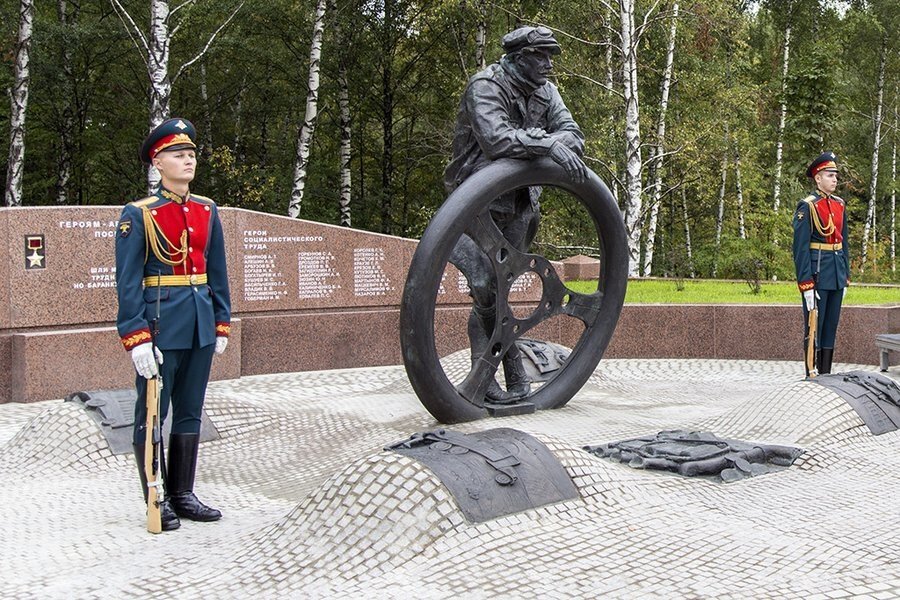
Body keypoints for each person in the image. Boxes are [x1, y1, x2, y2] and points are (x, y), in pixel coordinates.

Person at [444, 25, 587, 404]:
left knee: (498, 291)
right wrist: (547, 145)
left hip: (521, 204)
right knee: (485, 288)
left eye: (551, 56)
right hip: (476, 206)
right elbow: (496, 140)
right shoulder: (485, 86)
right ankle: (494, 380)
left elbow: (573, 134)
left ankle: (504, 381)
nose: (549, 64)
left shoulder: (546, 91)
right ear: (519, 57)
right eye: (541, 56)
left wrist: (548, 143)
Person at [116, 117, 231, 531]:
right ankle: (157, 496)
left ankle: (183, 493)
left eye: (191, 154)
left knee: (189, 411)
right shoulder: (139, 214)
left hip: (200, 323)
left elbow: (217, 271)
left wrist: (221, 321)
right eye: (178, 154)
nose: (188, 160)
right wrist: (136, 337)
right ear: (158, 162)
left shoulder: (206, 210)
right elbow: (128, 281)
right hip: (161, 325)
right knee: (152, 413)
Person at [792, 151, 850, 376]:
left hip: (836, 274)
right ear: (818, 178)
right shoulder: (807, 206)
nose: (835, 179)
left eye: (835, 175)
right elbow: (800, 249)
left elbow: (844, 243)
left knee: (830, 328)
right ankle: (812, 374)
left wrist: (845, 276)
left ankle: (826, 374)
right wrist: (806, 284)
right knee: (814, 326)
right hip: (817, 275)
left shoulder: (839, 204)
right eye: (829, 175)